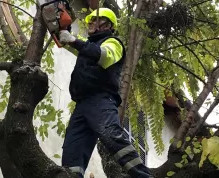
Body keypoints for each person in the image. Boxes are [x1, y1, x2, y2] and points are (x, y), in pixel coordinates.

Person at [59, 7, 152, 178]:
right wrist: (62, 30)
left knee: (112, 136)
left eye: (95, 20)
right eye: (90, 21)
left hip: (100, 99)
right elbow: (72, 45)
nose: (91, 23)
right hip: (82, 105)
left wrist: (73, 40)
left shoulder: (112, 43)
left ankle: (143, 176)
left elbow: (104, 56)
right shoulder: (88, 47)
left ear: (107, 24)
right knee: (73, 150)